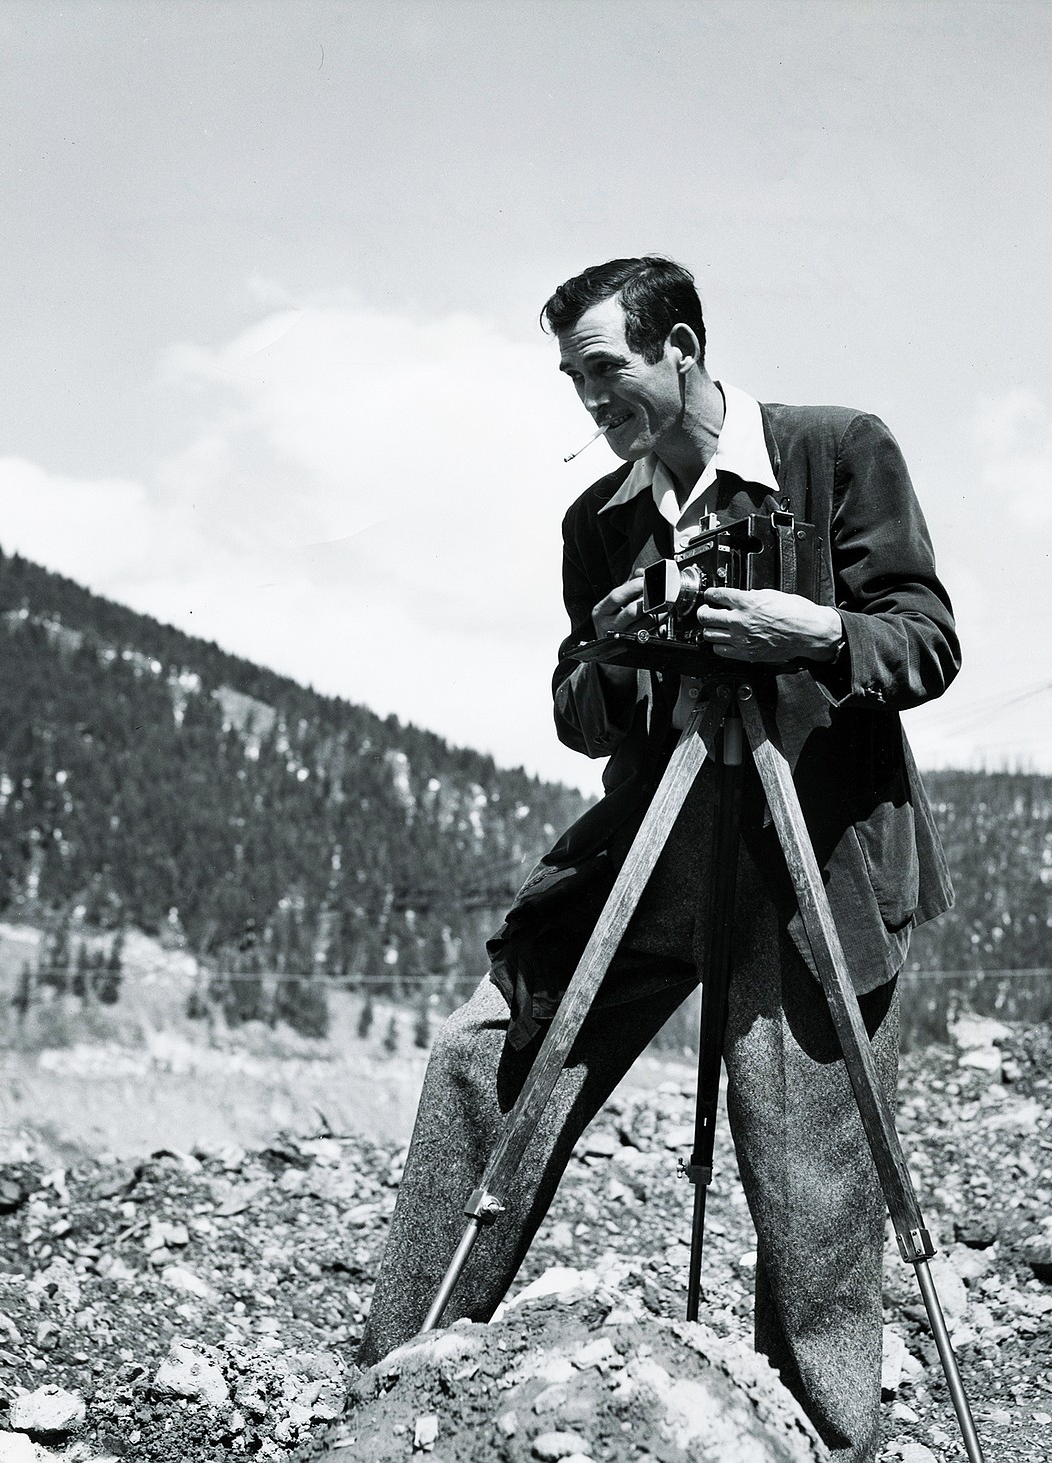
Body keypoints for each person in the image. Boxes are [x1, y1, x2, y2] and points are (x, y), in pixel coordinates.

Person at [359, 256, 960, 1463]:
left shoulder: (836, 450)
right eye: (574, 380)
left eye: (607, 369)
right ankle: (389, 1393)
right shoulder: (598, 520)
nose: (590, 401)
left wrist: (818, 630)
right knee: (484, 1059)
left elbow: (928, 640)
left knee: (811, 1191)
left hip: (812, 861)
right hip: (650, 850)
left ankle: (819, 1440)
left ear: (680, 344)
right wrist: (627, 650)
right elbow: (576, 706)